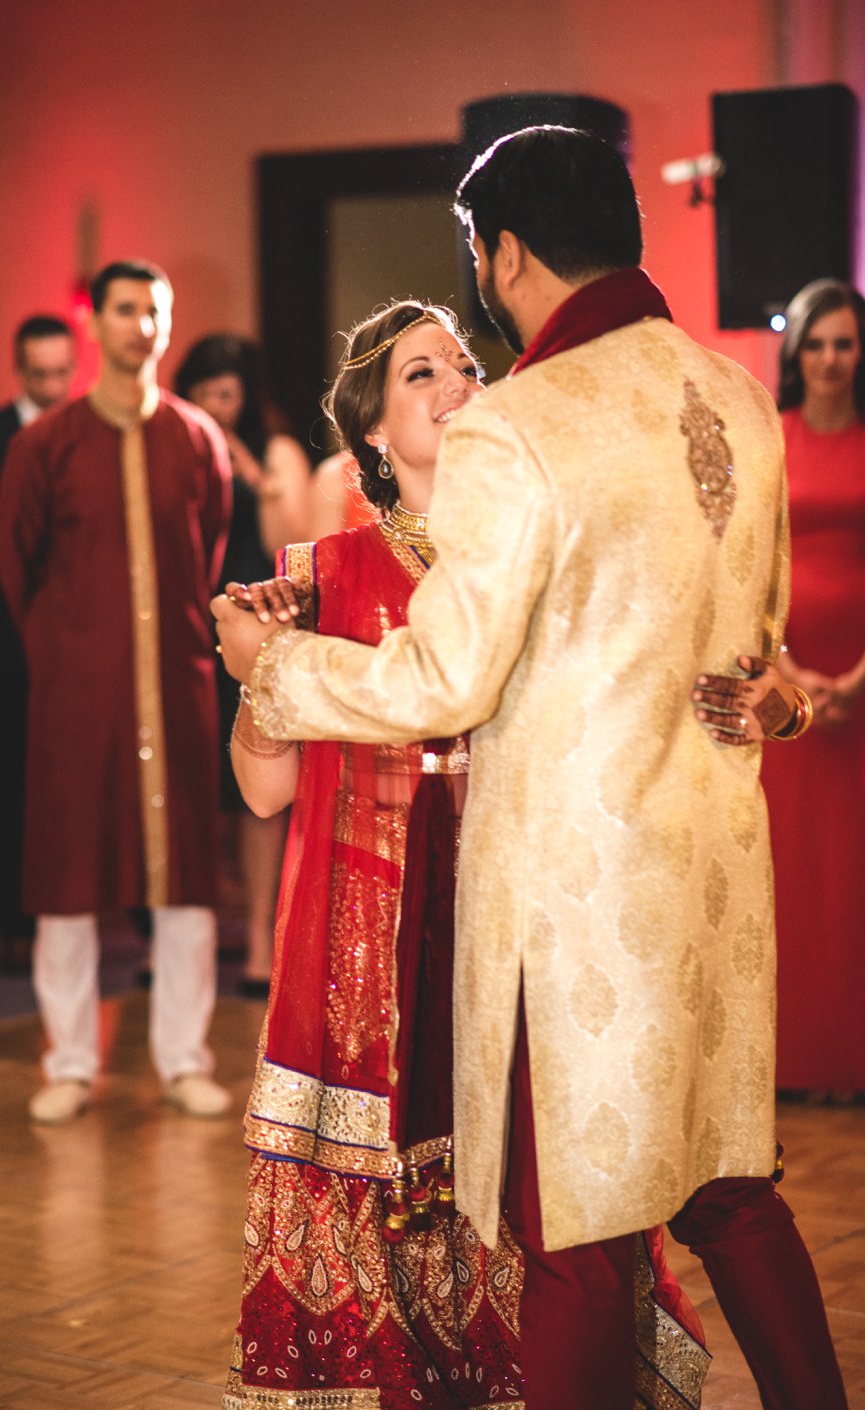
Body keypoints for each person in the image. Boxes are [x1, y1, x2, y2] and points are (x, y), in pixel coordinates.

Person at [216, 124, 846, 1409]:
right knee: (732, 1194)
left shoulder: (520, 424)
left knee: (575, 1236)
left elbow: (446, 679)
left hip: (575, 897)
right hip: (714, 864)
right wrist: (761, 711)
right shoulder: (734, 393)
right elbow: (759, 644)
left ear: (502, 253)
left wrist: (266, 671)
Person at [221, 301, 711, 1403]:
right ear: (373, 436)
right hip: (363, 942)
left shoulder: (535, 562)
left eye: (462, 364)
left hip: (519, 918)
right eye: (417, 373)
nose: (452, 381)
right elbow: (260, 793)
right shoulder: (322, 573)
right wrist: (263, 676)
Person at [0, 259, 233, 1125]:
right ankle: (67, 1062)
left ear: (168, 325)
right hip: (76, 695)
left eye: (154, 311)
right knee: (67, 876)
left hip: (175, 684)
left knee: (186, 880)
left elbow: (204, 557)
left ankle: (184, 1058)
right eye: (125, 310)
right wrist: (68, 654)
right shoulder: (44, 444)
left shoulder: (198, 440)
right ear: (95, 322)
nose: (140, 325)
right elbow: (16, 567)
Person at [174, 334, 313, 994]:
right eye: (202, 392)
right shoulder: (174, 446)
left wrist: (246, 469)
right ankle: (185, 940)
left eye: (225, 393)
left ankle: (262, 938)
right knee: (191, 786)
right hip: (185, 625)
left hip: (254, 628)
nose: (214, 405)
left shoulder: (276, 451)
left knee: (260, 790)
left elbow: (288, 544)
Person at [758, 277, 865, 1094]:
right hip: (791, 686)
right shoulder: (770, 437)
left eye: (845, 342)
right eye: (817, 342)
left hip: (862, 684)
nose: (831, 358)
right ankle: (794, 1061)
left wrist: (858, 681)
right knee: (793, 873)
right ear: (796, 352)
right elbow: (750, 570)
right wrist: (789, 668)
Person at [0, 315, 74, 966]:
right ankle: (15, 930)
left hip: (80, 643)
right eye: (39, 374)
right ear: (18, 369)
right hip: (12, 639)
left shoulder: (91, 432)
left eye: (62, 373)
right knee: (12, 787)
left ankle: (75, 920)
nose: (53, 387)